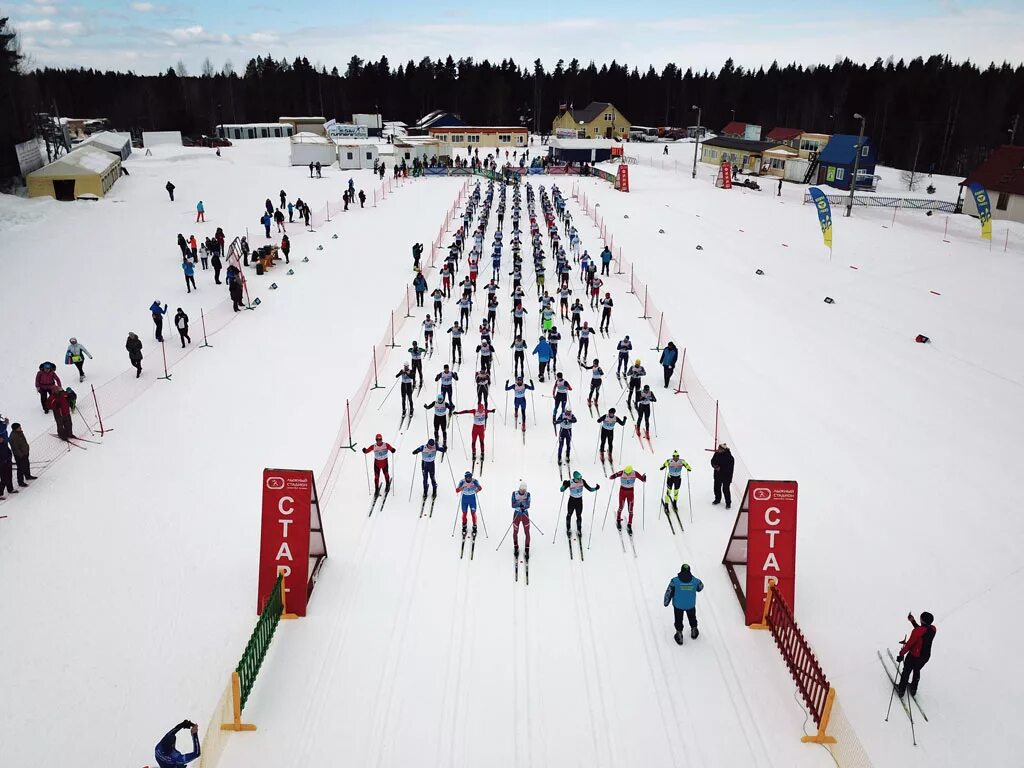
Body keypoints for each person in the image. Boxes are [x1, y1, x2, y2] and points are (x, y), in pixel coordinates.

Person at [897, 611, 937, 698]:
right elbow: (922, 631)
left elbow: (909, 644)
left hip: (914, 656)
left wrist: (901, 654)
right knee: (916, 670)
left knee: (906, 671)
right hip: (925, 657)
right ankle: (913, 689)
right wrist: (913, 621)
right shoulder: (933, 629)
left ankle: (901, 690)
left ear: (922, 620)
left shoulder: (917, 631)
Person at [664, 564, 704, 644]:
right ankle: (694, 630)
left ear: (681, 570)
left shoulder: (674, 581)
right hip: (690, 605)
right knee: (692, 617)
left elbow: (669, 592)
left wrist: (666, 602)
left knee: (678, 619)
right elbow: (700, 587)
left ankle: (679, 634)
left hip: (678, 605)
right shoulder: (695, 581)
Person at [559, 470, 599, 540]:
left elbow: (589, 489)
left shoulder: (582, 481)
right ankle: (568, 529)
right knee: (569, 515)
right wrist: (563, 485)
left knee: (579, 516)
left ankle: (579, 530)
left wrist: (595, 488)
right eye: (578, 479)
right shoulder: (570, 482)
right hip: (572, 501)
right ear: (575, 478)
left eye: (580, 478)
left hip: (579, 501)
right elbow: (561, 490)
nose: (580, 480)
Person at [609, 465, 647, 533]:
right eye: (626, 473)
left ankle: (629, 525)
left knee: (631, 510)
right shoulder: (622, 472)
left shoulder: (634, 473)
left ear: (631, 471)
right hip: (622, 492)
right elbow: (611, 477)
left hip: (630, 493)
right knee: (621, 507)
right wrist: (614, 476)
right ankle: (618, 520)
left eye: (628, 473)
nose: (627, 474)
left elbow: (642, 479)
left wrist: (644, 478)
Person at [456, 471, 482, 538]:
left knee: (473, 513)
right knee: (464, 513)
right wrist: (462, 488)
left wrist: (475, 491)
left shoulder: (474, 481)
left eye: (470, 477)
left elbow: (480, 488)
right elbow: (457, 490)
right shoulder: (462, 481)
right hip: (464, 499)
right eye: (467, 478)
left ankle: (474, 527)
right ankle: (464, 526)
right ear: (465, 477)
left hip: (472, 499)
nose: (469, 479)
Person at [511, 481, 531, 560]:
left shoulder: (528, 494)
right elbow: (512, 504)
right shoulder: (514, 494)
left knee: (527, 532)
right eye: (521, 489)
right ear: (519, 488)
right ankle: (516, 547)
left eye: (524, 490)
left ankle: (527, 549)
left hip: (525, 515)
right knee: (515, 532)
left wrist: (524, 507)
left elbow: (528, 504)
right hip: (517, 515)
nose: (523, 491)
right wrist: (520, 505)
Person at [711, 442, 734, 508]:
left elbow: (730, 469)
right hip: (717, 475)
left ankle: (728, 503)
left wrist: (721, 469)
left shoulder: (730, 458)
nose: (718, 450)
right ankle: (717, 499)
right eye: (718, 448)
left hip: (726, 477)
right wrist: (715, 466)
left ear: (724, 450)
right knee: (716, 488)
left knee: (725, 489)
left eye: (720, 449)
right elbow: (712, 461)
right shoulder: (716, 454)